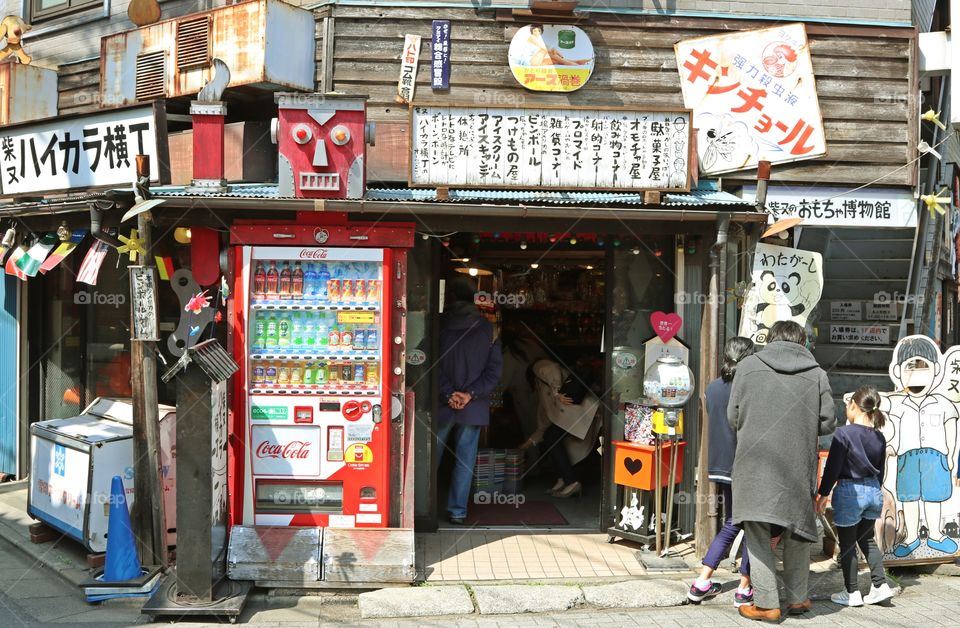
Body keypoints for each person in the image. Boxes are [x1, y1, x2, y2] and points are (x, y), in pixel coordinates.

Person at [728, 320, 836, 622]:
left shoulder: (747, 367)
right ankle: (798, 599)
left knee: (758, 533)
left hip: (754, 465)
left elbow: (732, 417)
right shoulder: (817, 374)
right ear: (802, 343)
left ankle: (767, 604)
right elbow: (828, 422)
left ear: (770, 340)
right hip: (798, 467)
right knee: (798, 532)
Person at [688, 337, 755, 606]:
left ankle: (702, 582)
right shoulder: (748, 388)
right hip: (745, 464)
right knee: (751, 526)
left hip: (720, 464)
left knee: (733, 522)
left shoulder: (712, 388)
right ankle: (743, 589)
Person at [816, 386, 895, 607]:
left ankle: (852, 593)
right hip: (874, 491)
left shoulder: (844, 433)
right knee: (867, 539)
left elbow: (833, 467)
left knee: (848, 543)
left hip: (850, 492)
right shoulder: (879, 437)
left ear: (853, 406)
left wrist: (823, 494)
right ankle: (880, 586)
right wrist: (874, 490)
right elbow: (881, 470)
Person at [436, 277, 503, 525]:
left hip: (442, 404)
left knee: (430, 459)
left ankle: (421, 508)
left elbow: (429, 365)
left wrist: (449, 393)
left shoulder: (438, 325)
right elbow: (494, 373)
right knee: (464, 461)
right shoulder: (490, 330)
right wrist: (470, 394)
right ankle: (457, 511)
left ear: (451, 297)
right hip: (472, 406)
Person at [519, 359, 601, 498]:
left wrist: (557, 393)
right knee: (550, 438)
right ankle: (563, 478)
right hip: (574, 415)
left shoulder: (537, 367)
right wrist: (526, 445)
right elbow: (543, 426)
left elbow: (552, 368)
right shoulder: (543, 394)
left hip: (581, 410)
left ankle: (571, 482)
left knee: (551, 439)